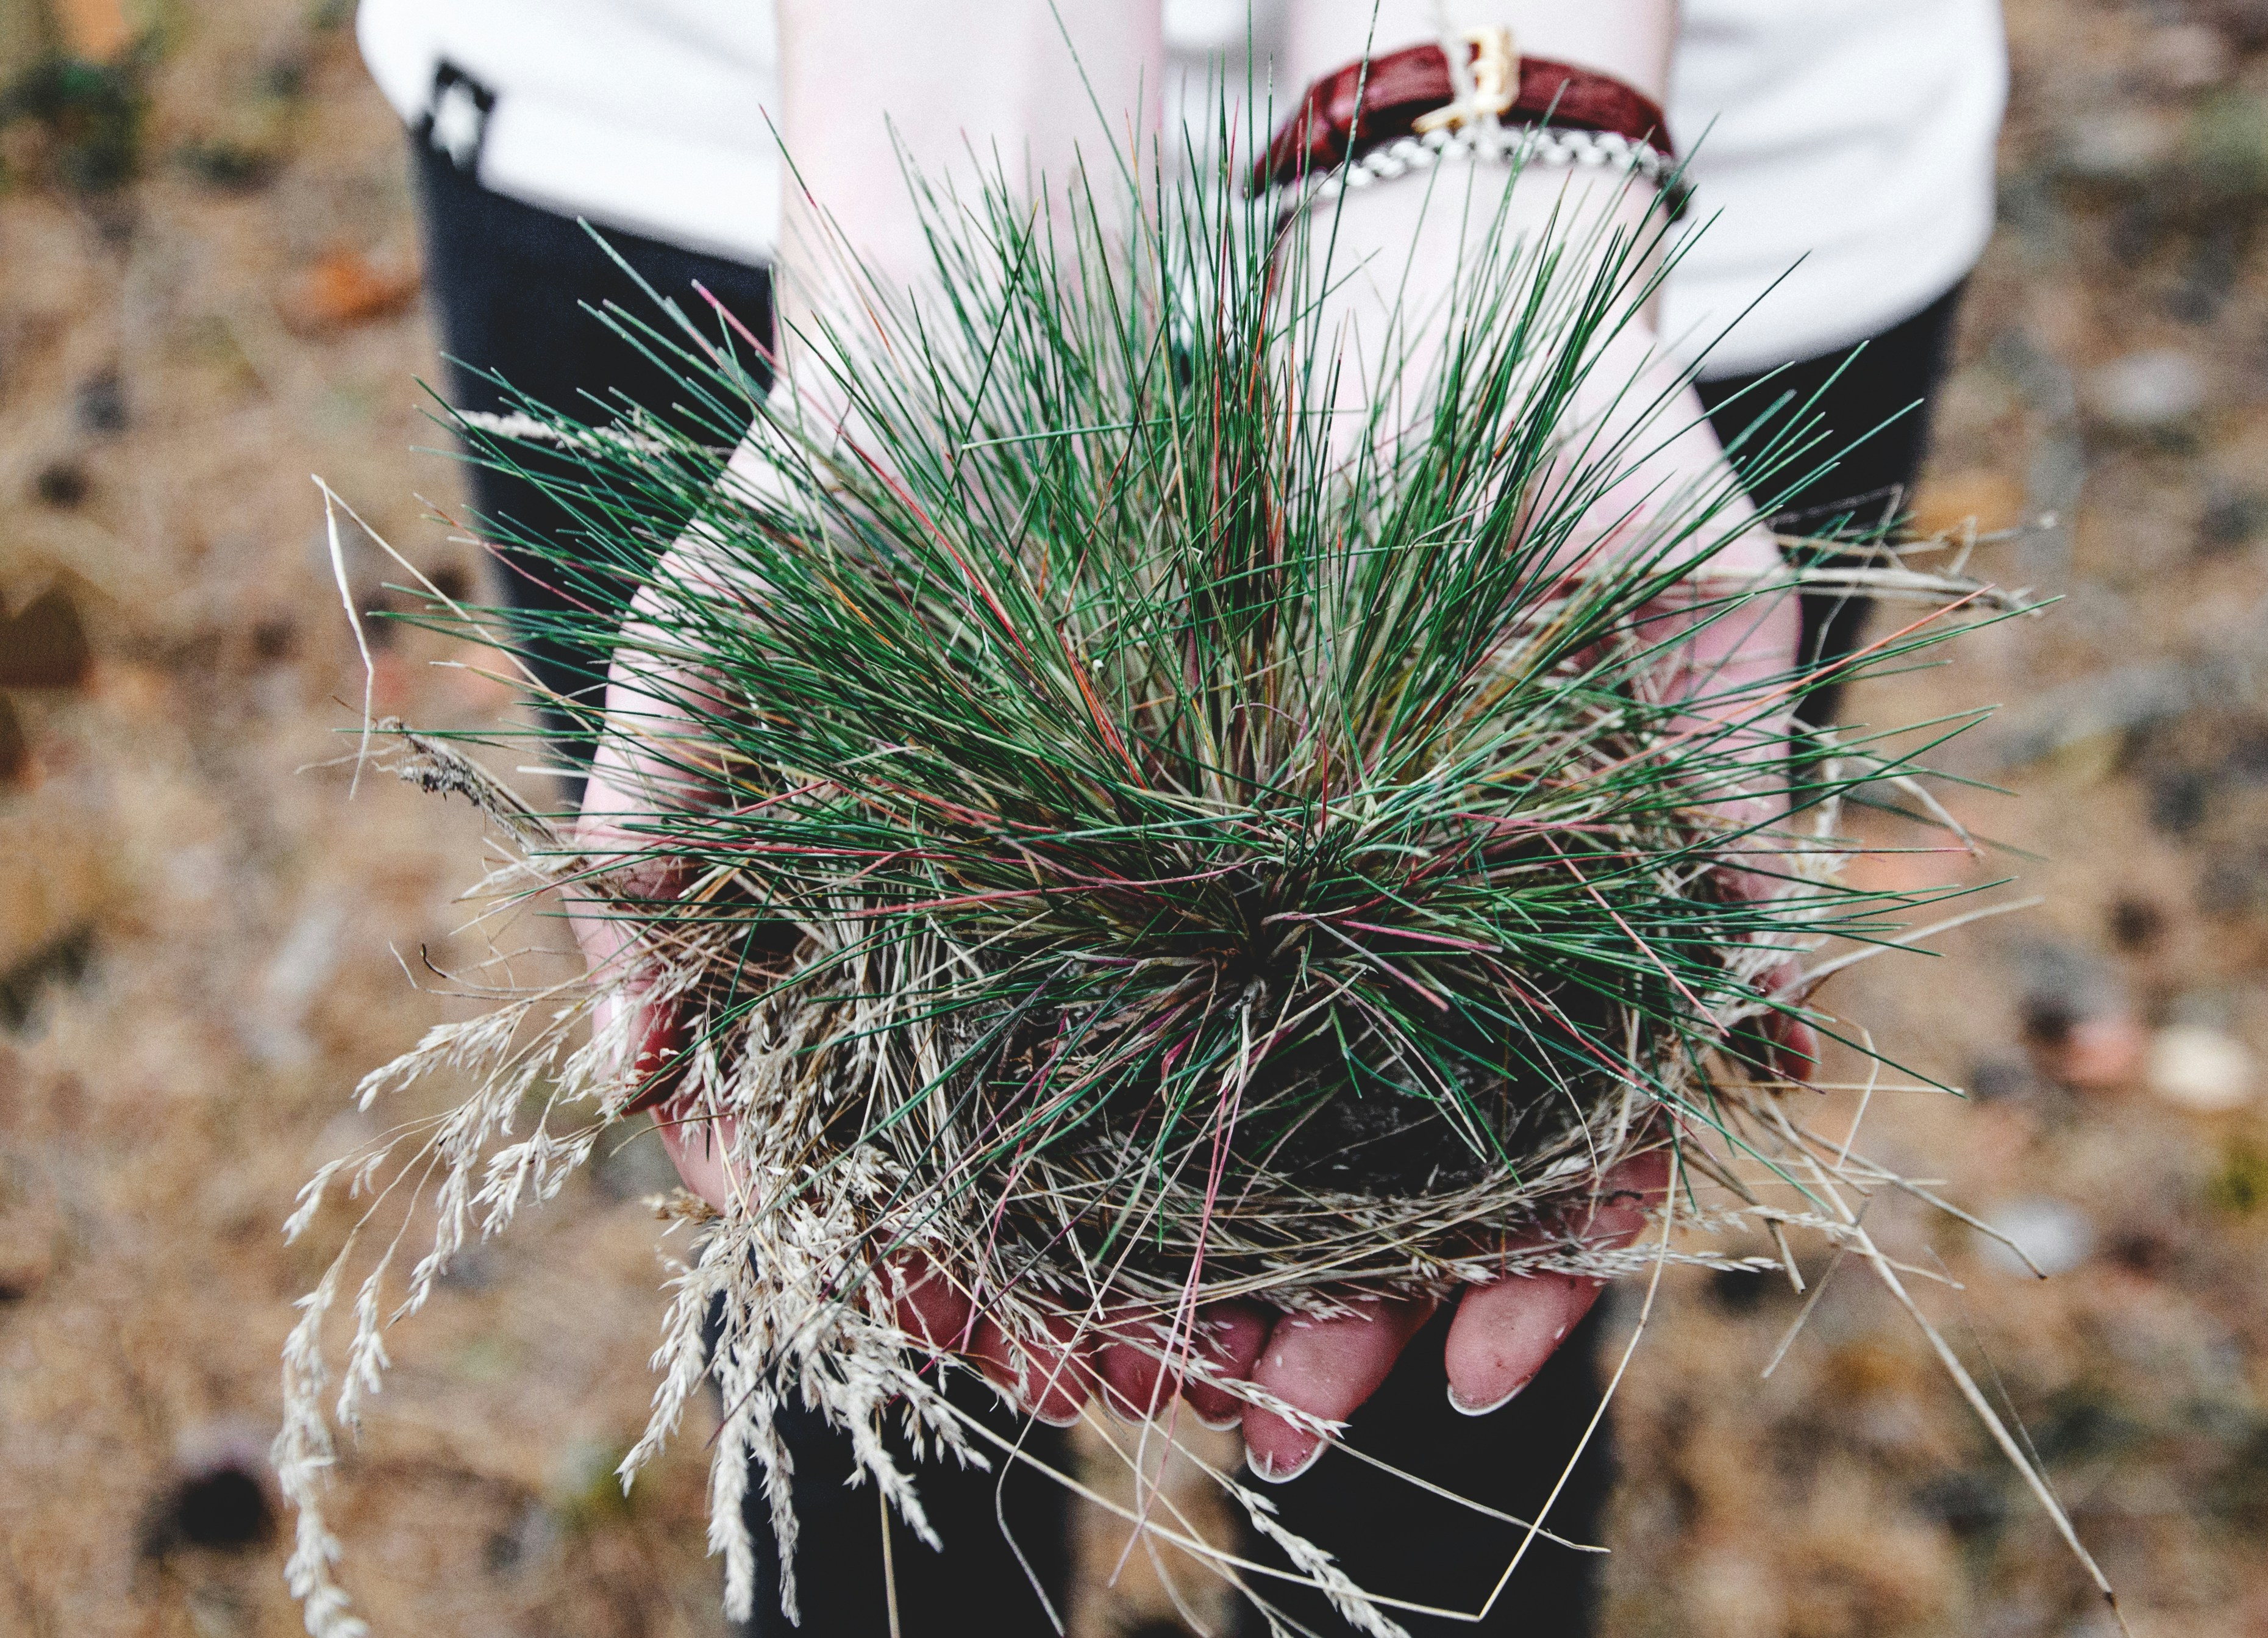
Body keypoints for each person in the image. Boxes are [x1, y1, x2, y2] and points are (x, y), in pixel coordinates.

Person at [360, 2, 2003, 1631]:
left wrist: (1482, 171)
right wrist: (942, 271)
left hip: (1682, 160)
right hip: (753, 122)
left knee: (1474, 1226)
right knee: (851, 1285)